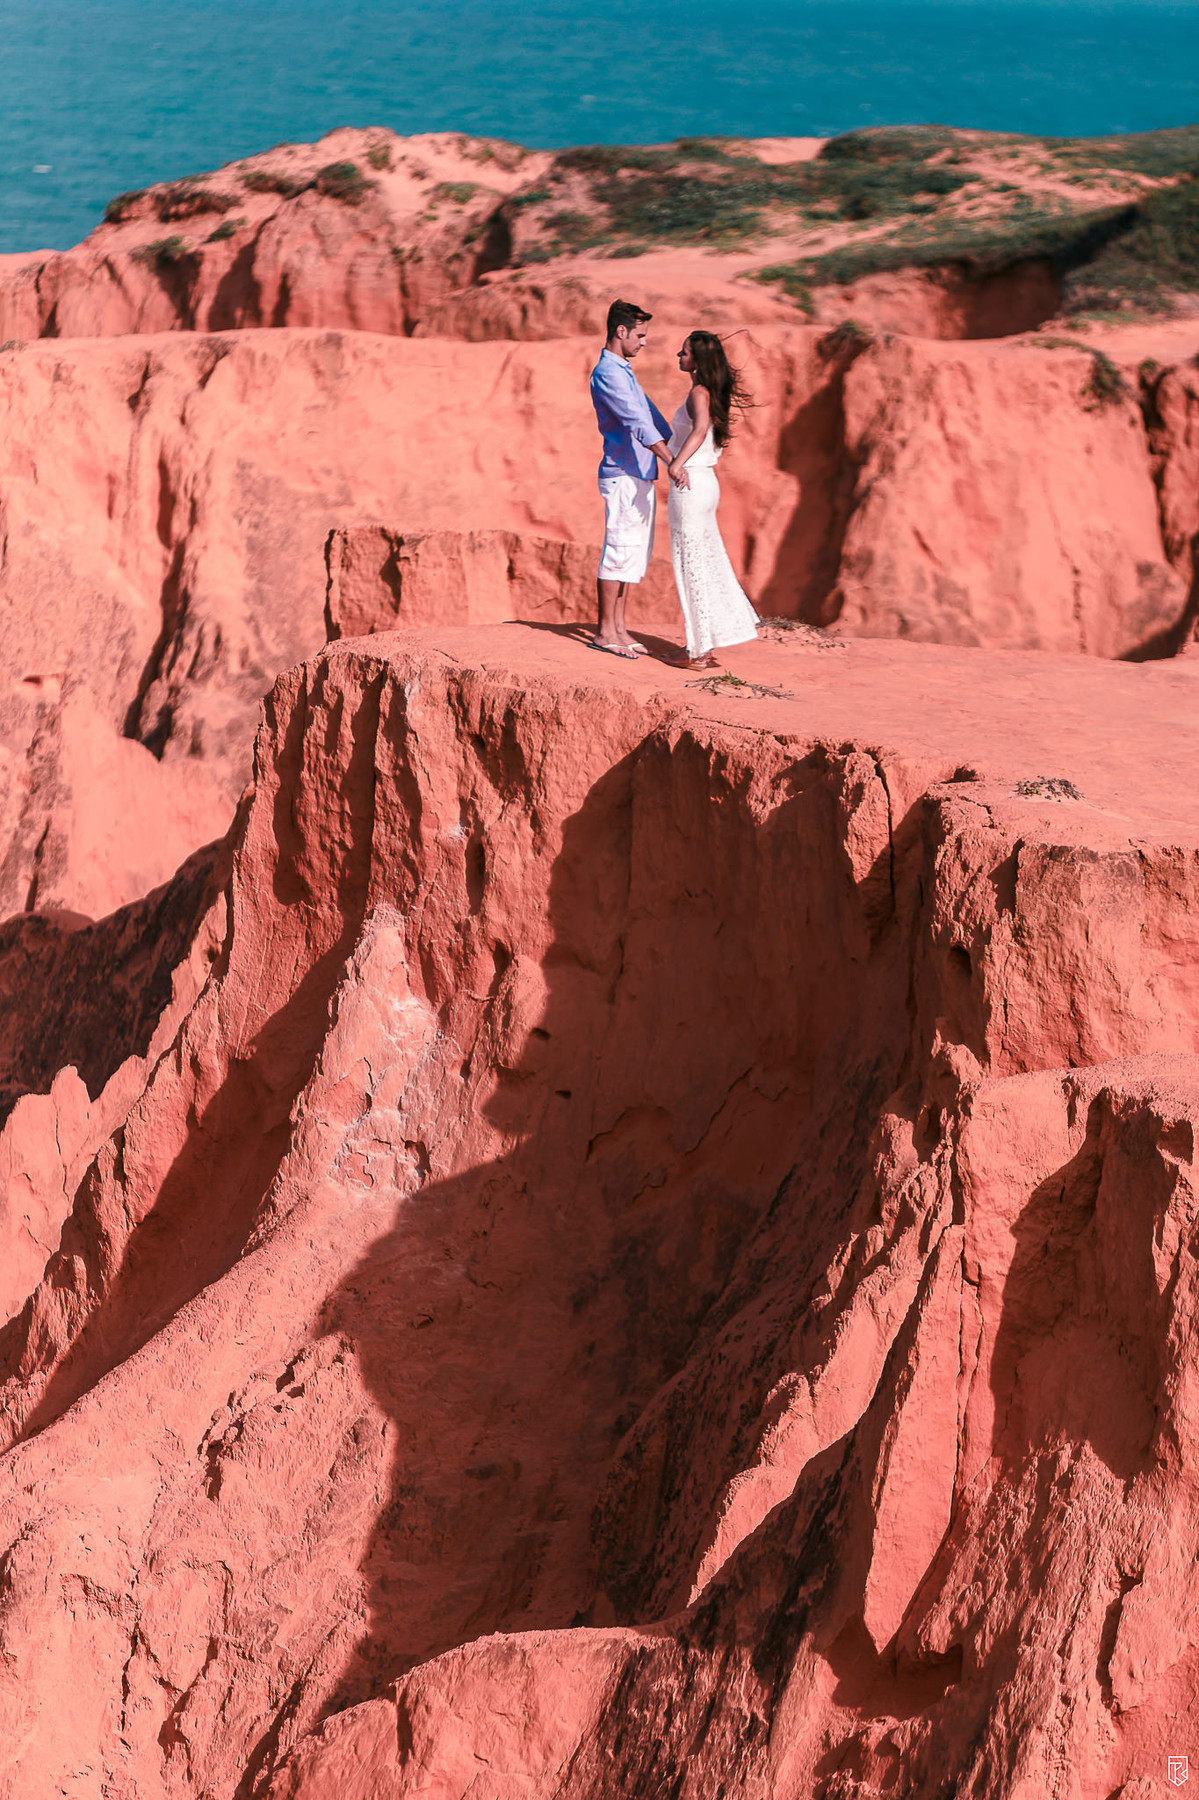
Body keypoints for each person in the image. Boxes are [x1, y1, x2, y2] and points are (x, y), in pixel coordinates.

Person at [665, 331, 760, 670]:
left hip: (690, 480)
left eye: (685, 352)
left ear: (698, 360)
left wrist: (676, 463)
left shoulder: (699, 392)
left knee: (690, 565)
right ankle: (699, 645)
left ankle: (696, 651)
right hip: (705, 481)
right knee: (701, 561)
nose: (679, 356)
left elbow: (700, 428)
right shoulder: (712, 392)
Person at [588, 299, 674, 659]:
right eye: (639, 335)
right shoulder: (609, 373)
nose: (644, 341)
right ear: (620, 332)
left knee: (632, 554)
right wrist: (672, 461)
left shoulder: (623, 370)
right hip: (623, 472)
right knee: (619, 550)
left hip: (638, 472)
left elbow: (653, 419)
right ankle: (606, 631)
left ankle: (620, 628)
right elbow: (638, 424)